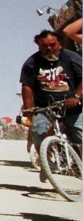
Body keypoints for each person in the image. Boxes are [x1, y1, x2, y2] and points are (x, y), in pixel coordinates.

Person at [19, 29, 82, 171]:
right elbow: (27, 86)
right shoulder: (31, 63)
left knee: (80, 135)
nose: (49, 49)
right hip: (44, 107)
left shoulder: (71, 58)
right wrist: (29, 110)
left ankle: (78, 164)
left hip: (72, 107)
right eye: (44, 46)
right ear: (38, 46)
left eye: (52, 45)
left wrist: (76, 97)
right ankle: (46, 163)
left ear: (60, 44)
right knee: (38, 131)